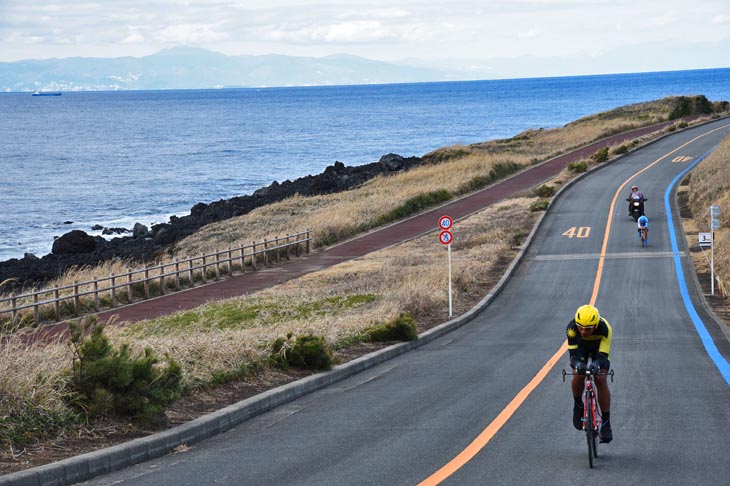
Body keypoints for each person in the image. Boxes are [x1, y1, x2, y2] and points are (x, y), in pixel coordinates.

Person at [566, 304, 613, 443]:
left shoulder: (605, 329)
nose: (583, 331)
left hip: (598, 348)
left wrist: (597, 364)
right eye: (580, 327)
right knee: (578, 374)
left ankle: (606, 422)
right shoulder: (571, 329)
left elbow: (603, 358)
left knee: (600, 378)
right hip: (581, 348)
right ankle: (578, 404)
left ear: (596, 324)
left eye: (588, 329)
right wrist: (578, 365)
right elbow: (573, 357)